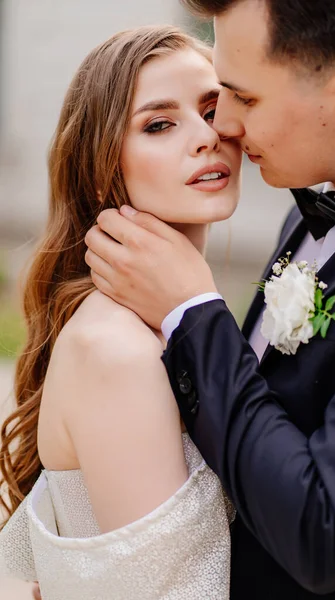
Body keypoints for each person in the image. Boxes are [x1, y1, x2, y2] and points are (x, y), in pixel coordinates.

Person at [84, 0, 335, 598]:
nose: (222, 126)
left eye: (242, 98)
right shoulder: (307, 218)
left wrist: (194, 316)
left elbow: (324, 533)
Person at [0, 25, 242, 600]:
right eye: (160, 124)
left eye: (214, 108)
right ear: (104, 160)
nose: (206, 136)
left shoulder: (167, 321)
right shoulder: (117, 349)